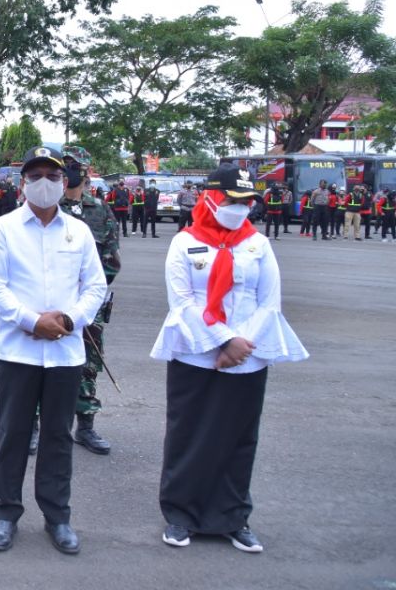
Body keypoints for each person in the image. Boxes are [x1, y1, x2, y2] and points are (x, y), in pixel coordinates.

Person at [151, 164, 309, 552]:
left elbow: (269, 302)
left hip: (247, 356)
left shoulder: (258, 244)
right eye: (231, 200)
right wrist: (223, 340)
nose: (239, 208)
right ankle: (180, 515)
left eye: (246, 201)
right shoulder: (184, 242)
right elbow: (183, 301)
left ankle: (232, 516)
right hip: (195, 352)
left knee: (239, 438)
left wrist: (241, 345)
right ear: (210, 198)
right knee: (188, 435)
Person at [0, 146, 107, 556]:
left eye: (53, 176)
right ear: (23, 184)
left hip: (65, 353)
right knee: (12, 435)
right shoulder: (3, 228)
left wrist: (69, 321)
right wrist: (33, 321)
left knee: (57, 437)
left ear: (64, 181)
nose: (45, 183)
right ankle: (6, 514)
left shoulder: (79, 231)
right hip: (18, 351)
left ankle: (58, 516)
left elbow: (95, 286)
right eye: (36, 176)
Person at [60, 146, 120, 455]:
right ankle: (35, 425)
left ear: (86, 171)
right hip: (51, 303)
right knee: (43, 362)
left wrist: (88, 295)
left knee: (88, 365)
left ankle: (85, 426)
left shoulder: (100, 210)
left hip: (88, 305)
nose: (69, 170)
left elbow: (111, 260)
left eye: (74, 165)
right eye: (64, 164)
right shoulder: (45, 206)